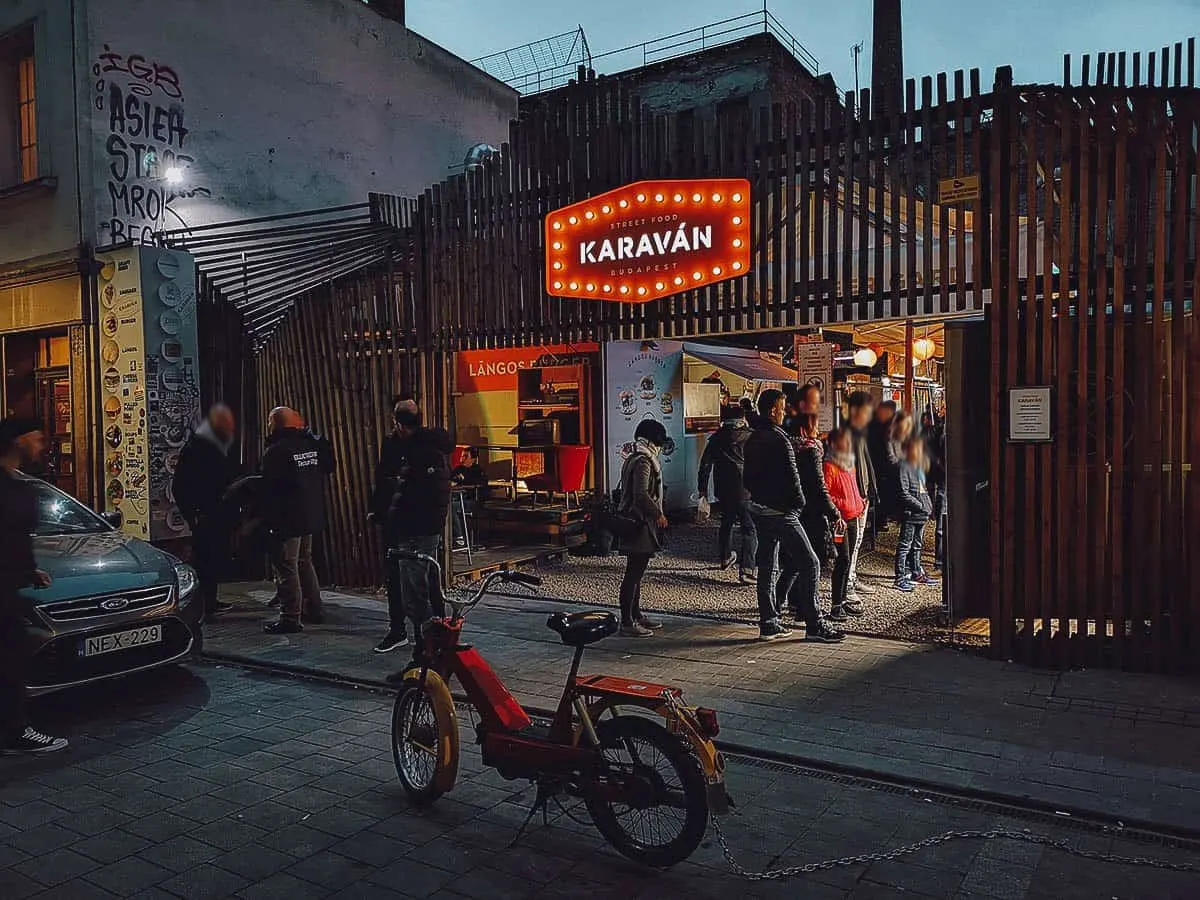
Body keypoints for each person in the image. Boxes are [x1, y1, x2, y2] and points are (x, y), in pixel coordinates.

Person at [743, 390, 843, 643]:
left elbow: (747, 477)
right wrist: (797, 505)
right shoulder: (780, 440)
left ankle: (768, 622)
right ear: (771, 410)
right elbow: (793, 479)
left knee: (767, 567)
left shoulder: (753, 438)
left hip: (759, 508)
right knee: (810, 563)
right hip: (782, 512)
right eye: (781, 407)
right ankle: (815, 624)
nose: (784, 411)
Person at [0, 418, 67, 754]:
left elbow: (16, 537)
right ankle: (16, 731)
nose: (42, 445)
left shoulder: (19, 482)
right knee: (11, 655)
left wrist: (31, 569)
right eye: (36, 438)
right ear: (18, 441)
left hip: (10, 583)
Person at [371, 400, 453, 659]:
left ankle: (431, 641)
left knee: (420, 585)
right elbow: (385, 478)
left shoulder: (427, 449)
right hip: (400, 522)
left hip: (415, 526)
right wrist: (381, 509)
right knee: (403, 581)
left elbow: (423, 493)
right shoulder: (395, 443)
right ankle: (410, 635)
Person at [260, 407, 333, 634]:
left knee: (286, 567)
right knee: (304, 561)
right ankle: (314, 608)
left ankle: (290, 617)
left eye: (270, 422)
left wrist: (267, 520)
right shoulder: (308, 445)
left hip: (287, 518)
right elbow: (328, 466)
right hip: (309, 513)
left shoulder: (276, 451)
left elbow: (271, 489)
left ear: (276, 425)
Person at [173, 404, 239, 619]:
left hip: (213, 512)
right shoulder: (200, 449)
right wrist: (193, 514)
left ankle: (209, 601)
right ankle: (203, 604)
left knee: (212, 559)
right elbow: (182, 485)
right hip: (206, 513)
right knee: (205, 561)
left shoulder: (213, 446)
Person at [781, 389, 839, 620]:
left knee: (794, 560)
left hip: (791, 508)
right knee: (811, 561)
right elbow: (818, 485)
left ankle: (787, 604)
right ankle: (807, 608)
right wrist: (834, 512)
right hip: (811, 511)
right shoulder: (810, 448)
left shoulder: (786, 441)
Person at [616, 419, 668, 637]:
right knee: (634, 573)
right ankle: (628, 621)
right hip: (640, 522)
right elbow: (640, 495)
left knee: (636, 572)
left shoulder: (633, 457)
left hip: (634, 520)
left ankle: (636, 614)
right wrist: (659, 514)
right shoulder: (644, 462)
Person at [697, 405, 757, 583]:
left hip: (723, 490)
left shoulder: (716, 439)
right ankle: (747, 570)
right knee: (749, 529)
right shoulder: (751, 436)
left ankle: (724, 557)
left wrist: (702, 490)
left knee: (727, 522)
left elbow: (705, 466)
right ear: (742, 418)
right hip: (746, 490)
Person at [824, 426, 868, 621]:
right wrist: (839, 510)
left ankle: (841, 601)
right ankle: (836, 604)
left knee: (848, 559)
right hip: (840, 520)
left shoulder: (849, 464)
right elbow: (827, 493)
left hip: (852, 517)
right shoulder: (829, 465)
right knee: (842, 560)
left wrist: (859, 503)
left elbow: (853, 488)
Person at [844, 391, 877, 607]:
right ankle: (846, 585)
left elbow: (866, 466)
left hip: (862, 495)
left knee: (857, 543)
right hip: (854, 498)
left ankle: (852, 578)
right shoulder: (847, 434)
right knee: (852, 543)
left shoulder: (859, 433)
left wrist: (870, 492)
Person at [894, 436, 936, 592]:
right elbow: (903, 493)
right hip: (911, 513)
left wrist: (928, 507)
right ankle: (899, 577)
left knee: (917, 545)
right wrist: (920, 506)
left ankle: (916, 572)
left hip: (921, 514)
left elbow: (923, 490)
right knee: (905, 545)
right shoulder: (903, 467)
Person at [868, 400, 897, 523]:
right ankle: (881, 519)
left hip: (879, 465)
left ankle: (881, 518)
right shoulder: (881, 426)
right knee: (881, 492)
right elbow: (887, 447)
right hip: (880, 466)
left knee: (882, 493)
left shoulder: (878, 424)